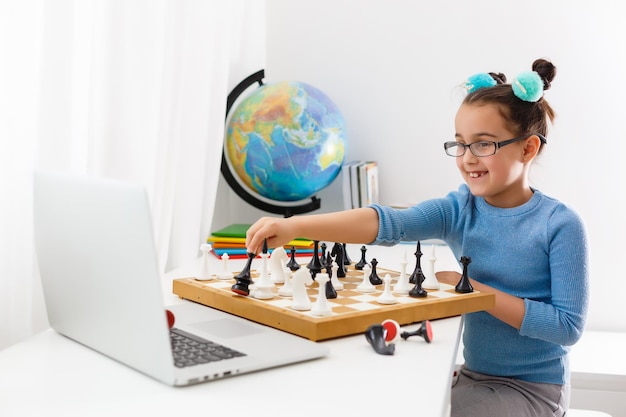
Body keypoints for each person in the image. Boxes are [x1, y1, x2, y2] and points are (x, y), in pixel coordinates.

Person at [245, 58, 589, 417]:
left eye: (483, 145)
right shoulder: (460, 208)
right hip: (473, 377)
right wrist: (297, 227)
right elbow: (390, 223)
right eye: (460, 144)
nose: (467, 159)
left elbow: (567, 327)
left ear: (528, 148)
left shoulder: (560, 224)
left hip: (533, 390)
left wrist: (472, 291)